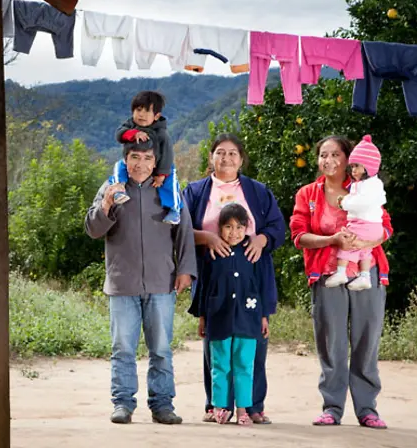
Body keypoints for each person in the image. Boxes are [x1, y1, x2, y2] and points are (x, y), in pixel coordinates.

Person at [85, 137, 197, 426]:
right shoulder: (112, 187)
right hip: (122, 284)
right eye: (135, 157)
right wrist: (107, 204)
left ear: (156, 162)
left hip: (162, 282)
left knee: (161, 348)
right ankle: (122, 403)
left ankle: (162, 405)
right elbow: (93, 230)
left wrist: (185, 270)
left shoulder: (169, 189)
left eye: (148, 159)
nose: (141, 164)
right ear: (125, 159)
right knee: (122, 347)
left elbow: (183, 231)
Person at [289, 135, 392, 430]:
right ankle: (332, 408)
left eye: (336, 154)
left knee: (366, 338)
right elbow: (299, 236)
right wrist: (332, 240)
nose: (329, 161)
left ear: (349, 159)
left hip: (366, 268)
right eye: (323, 155)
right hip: (327, 273)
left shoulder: (365, 187)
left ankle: (367, 409)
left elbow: (385, 226)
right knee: (330, 341)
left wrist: (366, 239)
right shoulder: (308, 194)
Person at [182, 134, 285, 425]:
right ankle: (217, 406)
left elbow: (279, 227)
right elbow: (179, 229)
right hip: (214, 277)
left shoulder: (258, 191)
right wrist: (207, 238)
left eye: (232, 153)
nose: (226, 158)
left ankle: (252, 406)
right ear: (211, 157)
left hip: (251, 276)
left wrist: (262, 240)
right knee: (216, 346)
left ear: (241, 159)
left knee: (252, 346)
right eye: (220, 153)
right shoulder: (195, 191)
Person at [189, 203, 270, 427]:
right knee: (220, 365)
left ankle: (243, 409)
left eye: (239, 227)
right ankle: (219, 408)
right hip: (218, 318)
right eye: (228, 227)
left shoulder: (253, 254)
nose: (233, 232)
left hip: (248, 318)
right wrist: (202, 317)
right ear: (219, 228)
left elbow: (262, 288)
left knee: (245, 364)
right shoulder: (212, 254)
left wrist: (263, 317)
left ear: (247, 228)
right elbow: (204, 288)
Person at [111, 90, 183, 224]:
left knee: (171, 180)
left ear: (156, 116)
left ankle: (174, 209)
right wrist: (133, 133)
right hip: (131, 163)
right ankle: (119, 191)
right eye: (138, 110)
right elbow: (119, 134)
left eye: (147, 111)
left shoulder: (162, 134)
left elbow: (167, 154)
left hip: (159, 164)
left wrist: (162, 174)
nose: (141, 114)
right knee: (119, 167)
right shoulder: (131, 124)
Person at [328, 135, 386, 291]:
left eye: (357, 167)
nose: (353, 171)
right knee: (365, 251)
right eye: (352, 166)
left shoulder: (369, 185)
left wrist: (344, 202)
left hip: (365, 225)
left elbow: (360, 203)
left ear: (369, 167)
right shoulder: (368, 184)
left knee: (348, 242)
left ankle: (341, 272)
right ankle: (365, 276)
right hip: (372, 226)